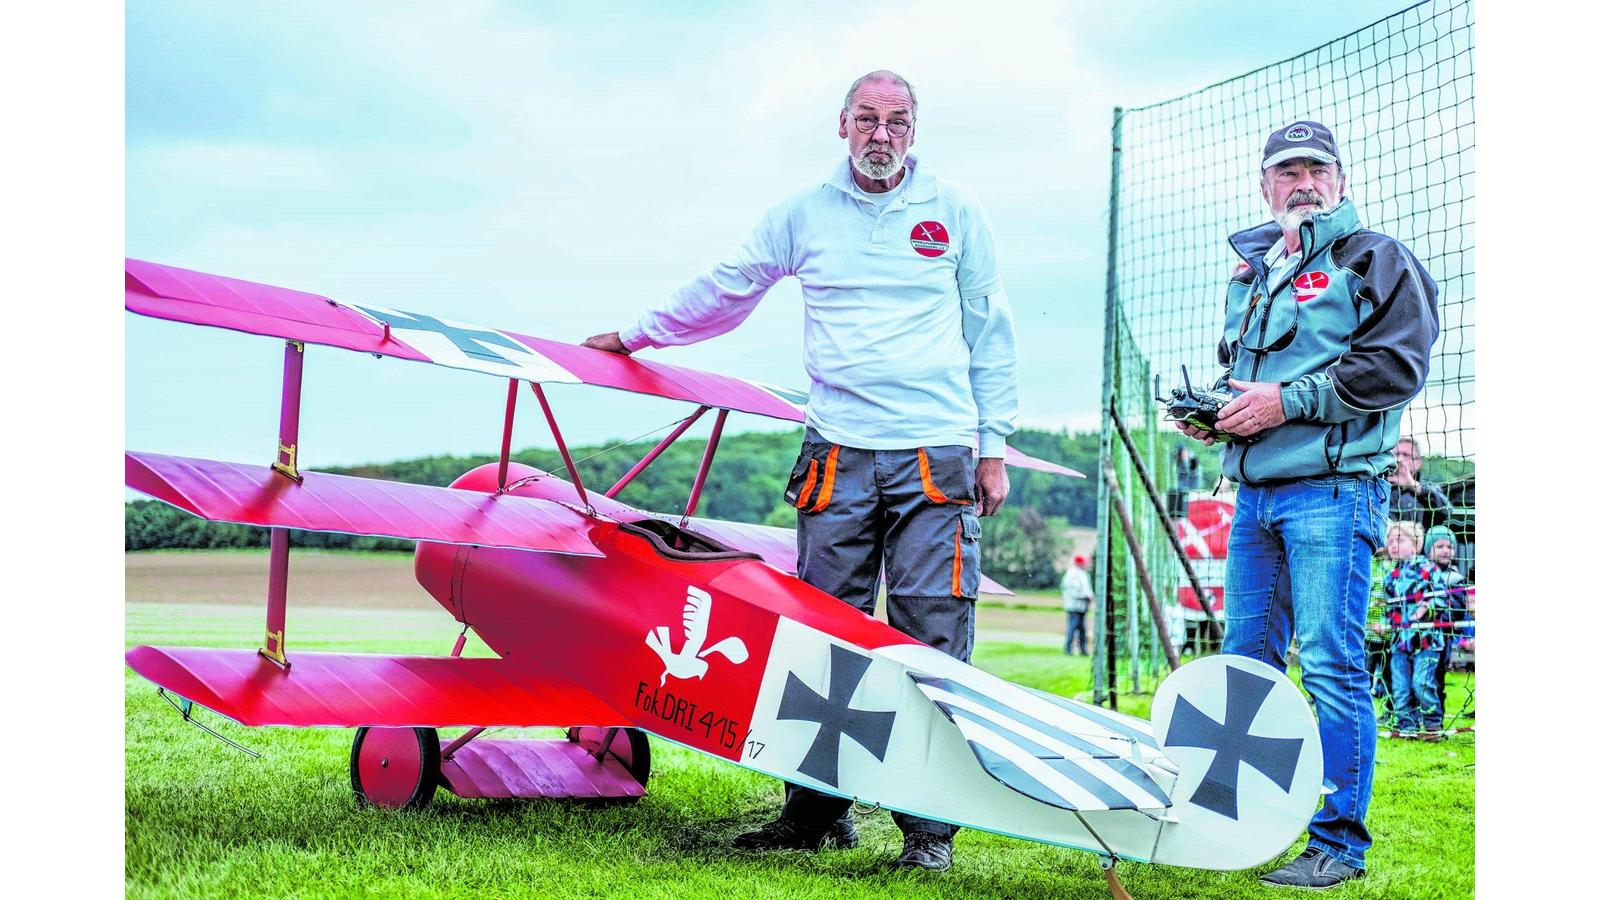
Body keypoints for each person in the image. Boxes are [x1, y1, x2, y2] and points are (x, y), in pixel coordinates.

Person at [581, 70, 1016, 873]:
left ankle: (928, 834)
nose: (880, 134)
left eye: (896, 121)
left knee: (930, 637)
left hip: (937, 455)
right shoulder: (801, 214)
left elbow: (990, 328)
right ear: (841, 126)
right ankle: (814, 814)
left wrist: (993, 445)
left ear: (914, 130)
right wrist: (638, 335)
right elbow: (729, 288)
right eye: (866, 120)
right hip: (837, 454)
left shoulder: (956, 212)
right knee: (821, 638)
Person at [1175, 120, 1439, 889]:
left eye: (1317, 171)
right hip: (1255, 496)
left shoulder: (1376, 257)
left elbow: (1396, 365)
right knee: (1245, 666)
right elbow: (1248, 380)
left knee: (1330, 664)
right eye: (1287, 172)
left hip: (1334, 493)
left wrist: (1284, 404)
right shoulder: (1253, 271)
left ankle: (1338, 845)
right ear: (1265, 185)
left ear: (1342, 180)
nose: (1304, 184)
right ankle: (1237, 821)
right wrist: (1216, 412)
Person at [1382, 520, 1451, 741]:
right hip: (1400, 642)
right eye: (1390, 541)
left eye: (1399, 540)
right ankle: (1407, 727)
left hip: (1427, 641)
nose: (1393, 545)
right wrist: (1385, 622)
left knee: (1421, 683)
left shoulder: (1428, 569)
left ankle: (1432, 726)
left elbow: (1442, 598)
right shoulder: (1390, 575)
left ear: (1416, 544)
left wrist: (1425, 607)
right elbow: (1387, 605)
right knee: (1401, 687)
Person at [1388, 437, 1452, 531]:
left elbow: (1446, 510)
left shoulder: (1430, 488)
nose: (1399, 459)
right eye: (1396, 454)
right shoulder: (1380, 487)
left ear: (1417, 462)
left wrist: (1413, 485)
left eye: (1406, 455)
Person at [1061, 555, 1094, 655]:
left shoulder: (1082, 573)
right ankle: (1068, 649)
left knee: (1082, 629)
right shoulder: (1072, 574)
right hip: (1074, 606)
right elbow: (1073, 591)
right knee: (1072, 627)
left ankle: (1083, 650)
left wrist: (1089, 595)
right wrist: (1086, 596)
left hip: (1082, 606)